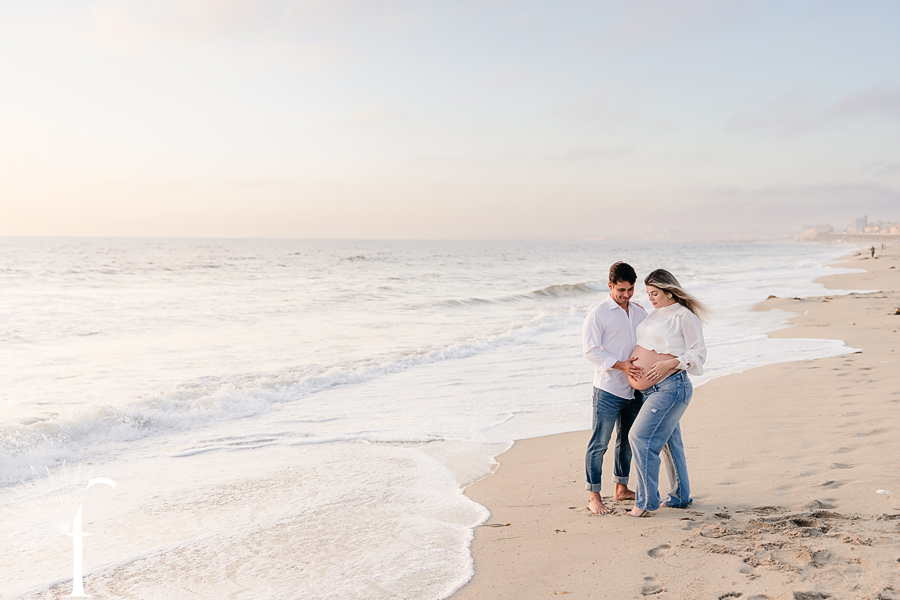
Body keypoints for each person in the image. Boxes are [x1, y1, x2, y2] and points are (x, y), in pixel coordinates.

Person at [626, 269, 707, 518]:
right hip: (651, 390)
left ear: (669, 291)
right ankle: (680, 496)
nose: (650, 298)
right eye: (648, 293)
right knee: (670, 445)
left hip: (672, 386)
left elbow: (699, 354)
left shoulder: (684, 317)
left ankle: (646, 502)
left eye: (655, 293)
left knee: (639, 438)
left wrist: (670, 363)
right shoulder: (653, 314)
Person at [582, 262, 648, 514]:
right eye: (621, 290)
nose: (626, 295)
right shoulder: (598, 314)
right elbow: (590, 350)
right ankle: (594, 496)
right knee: (599, 443)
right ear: (610, 286)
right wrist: (621, 365)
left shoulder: (639, 311)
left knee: (627, 441)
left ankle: (621, 488)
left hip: (634, 389)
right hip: (608, 389)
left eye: (630, 289)